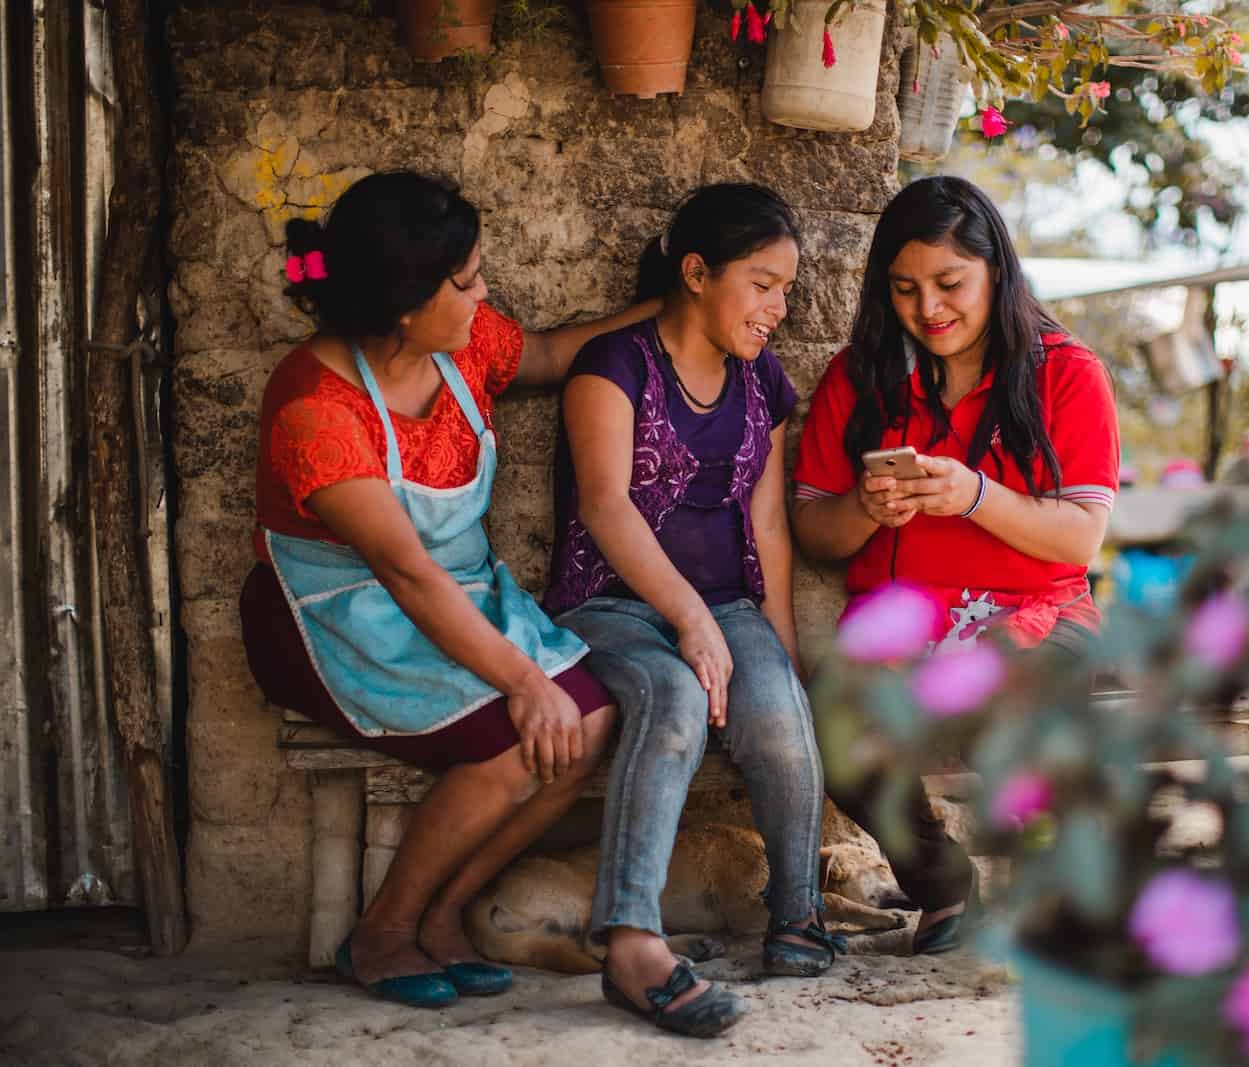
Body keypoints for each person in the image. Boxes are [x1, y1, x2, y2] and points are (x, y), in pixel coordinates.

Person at [240, 171, 655, 1008]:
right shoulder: (315, 406)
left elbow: (540, 354)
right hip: (337, 613)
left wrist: (668, 312)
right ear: (404, 301)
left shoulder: (461, 346)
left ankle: (446, 910)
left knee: (593, 719)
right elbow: (405, 575)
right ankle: (384, 927)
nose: (484, 292)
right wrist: (524, 680)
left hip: (453, 592)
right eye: (466, 280)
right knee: (513, 739)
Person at [790, 175, 1120, 955]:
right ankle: (944, 890)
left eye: (950, 283)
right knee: (834, 722)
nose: (929, 308)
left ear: (997, 271)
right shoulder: (859, 377)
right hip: (900, 627)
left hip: (1035, 616)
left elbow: (1080, 540)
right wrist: (866, 509)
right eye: (904, 288)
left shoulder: (1067, 374)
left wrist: (975, 494)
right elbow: (812, 530)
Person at [545, 183, 830, 1037]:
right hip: (611, 605)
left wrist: (773, 645)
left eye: (787, 287)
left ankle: (798, 909)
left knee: (780, 711)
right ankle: (633, 944)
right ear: (697, 273)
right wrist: (691, 624)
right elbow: (605, 506)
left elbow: (767, 522)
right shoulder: (612, 366)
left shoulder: (762, 383)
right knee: (670, 698)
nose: (779, 307)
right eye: (763, 283)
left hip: (726, 603)